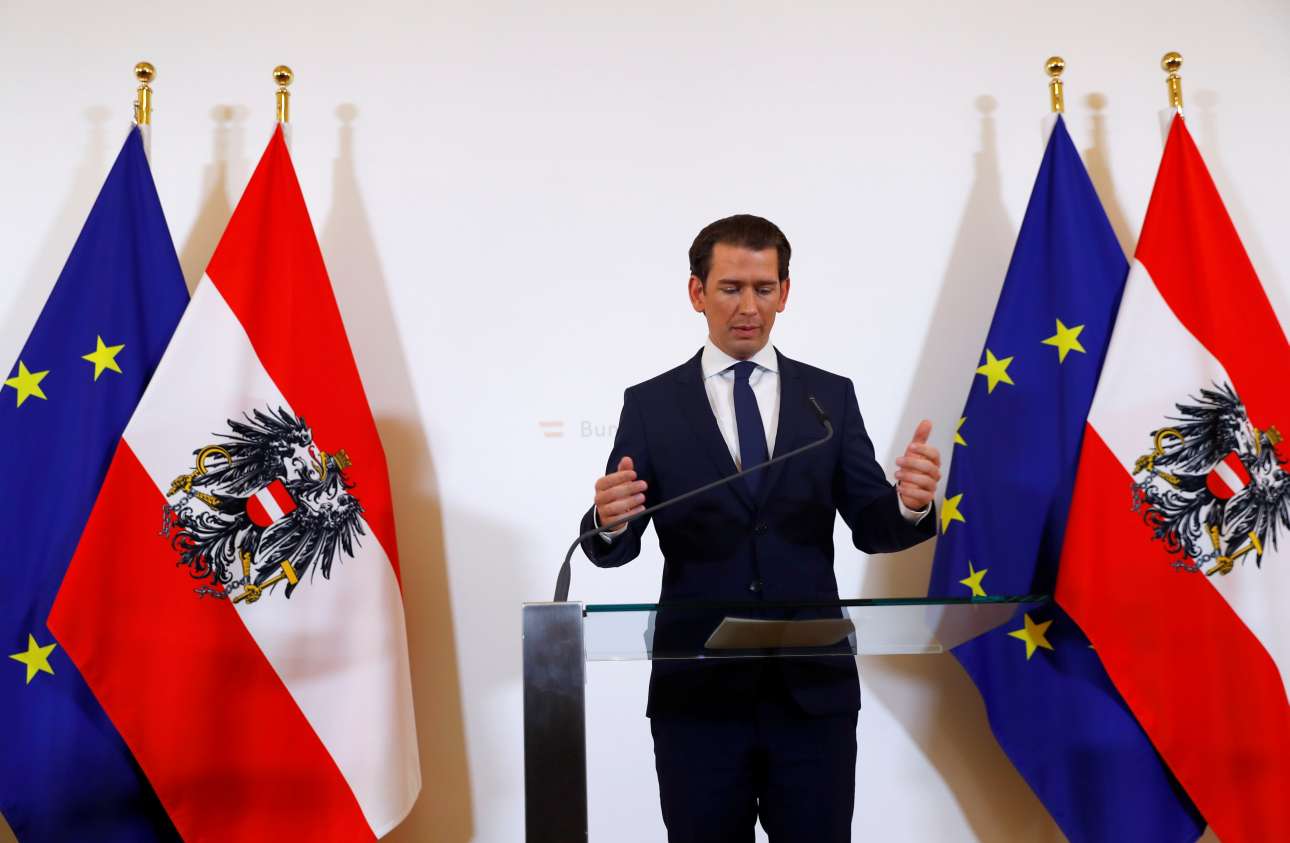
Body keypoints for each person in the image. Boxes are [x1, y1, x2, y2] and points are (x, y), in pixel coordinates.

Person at [579, 214, 942, 843]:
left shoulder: (829, 397)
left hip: (812, 695)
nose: (749, 307)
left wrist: (908, 505)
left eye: (764, 288)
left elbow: (872, 525)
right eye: (730, 288)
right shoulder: (651, 404)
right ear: (697, 293)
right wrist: (608, 522)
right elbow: (616, 542)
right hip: (698, 697)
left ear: (785, 292)